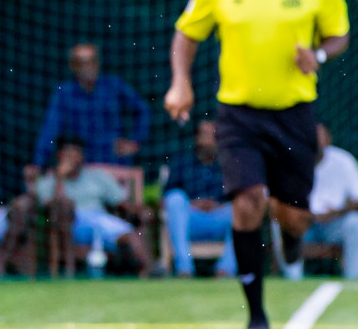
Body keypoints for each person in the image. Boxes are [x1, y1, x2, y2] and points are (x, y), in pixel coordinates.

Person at [164, 0, 349, 329]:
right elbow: (186, 35)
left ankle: (291, 238)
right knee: (247, 202)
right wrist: (180, 84)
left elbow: (339, 34)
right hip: (238, 115)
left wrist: (318, 54)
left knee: (294, 217)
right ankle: (256, 315)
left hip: (293, 115)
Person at [26, 135, 153, 277]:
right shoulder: (49, 181)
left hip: (98, 219)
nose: (72, 158)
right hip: (70, 224)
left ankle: (149, 272)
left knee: (130, 236)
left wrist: (141, 210)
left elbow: (122, 203)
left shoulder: (97, 176)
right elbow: (52, 209)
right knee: (65, 211)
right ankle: (69, 270)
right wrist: (60, 178)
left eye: (75, 154)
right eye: (67, 154)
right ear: (58, 156)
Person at [34, 43, 150, 166]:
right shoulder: (64, 94)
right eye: (82, 62)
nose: (88, 67)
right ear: (73, 66)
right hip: (80, 169)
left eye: (92, 61)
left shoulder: (113, 86)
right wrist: (38, 163)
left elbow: (143, 109)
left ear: (98, 63)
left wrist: (135, 142)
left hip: (113, 165)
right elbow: (50, 130)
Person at [301, 123, 358, 280]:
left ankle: (353, 281)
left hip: (334, 225)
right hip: (302, 225)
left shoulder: (343, 160)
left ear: (329, 139)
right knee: (280, 222)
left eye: (321, 137)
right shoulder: (292, 160)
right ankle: (291, 281)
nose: (317, 142)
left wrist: (337, 212)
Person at [162, 119, 233, 278]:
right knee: (174, 199)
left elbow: (234, 194)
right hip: (191, 220)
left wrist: (216, 204)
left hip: (218, 219)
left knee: (240, 207)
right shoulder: (182, 162)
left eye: (213, 135)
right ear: (196, 138)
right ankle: (184, 269)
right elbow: (166, 196)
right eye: (205, 135)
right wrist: (193, 203)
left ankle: (225, 270)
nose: (209, 140)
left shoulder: (228, 162)